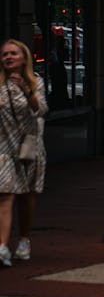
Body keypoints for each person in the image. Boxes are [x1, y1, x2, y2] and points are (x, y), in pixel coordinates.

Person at [0, 39, 47, 266]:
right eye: (5, 54)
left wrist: (26, 90)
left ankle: (24, 239)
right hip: (4, 148)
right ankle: (2, 247)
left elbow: (41, 110)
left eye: (13, 53)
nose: (8, 57)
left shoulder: (35, 82)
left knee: (26, 197)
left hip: (28, 148)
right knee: (5, 195)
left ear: (23, 57)